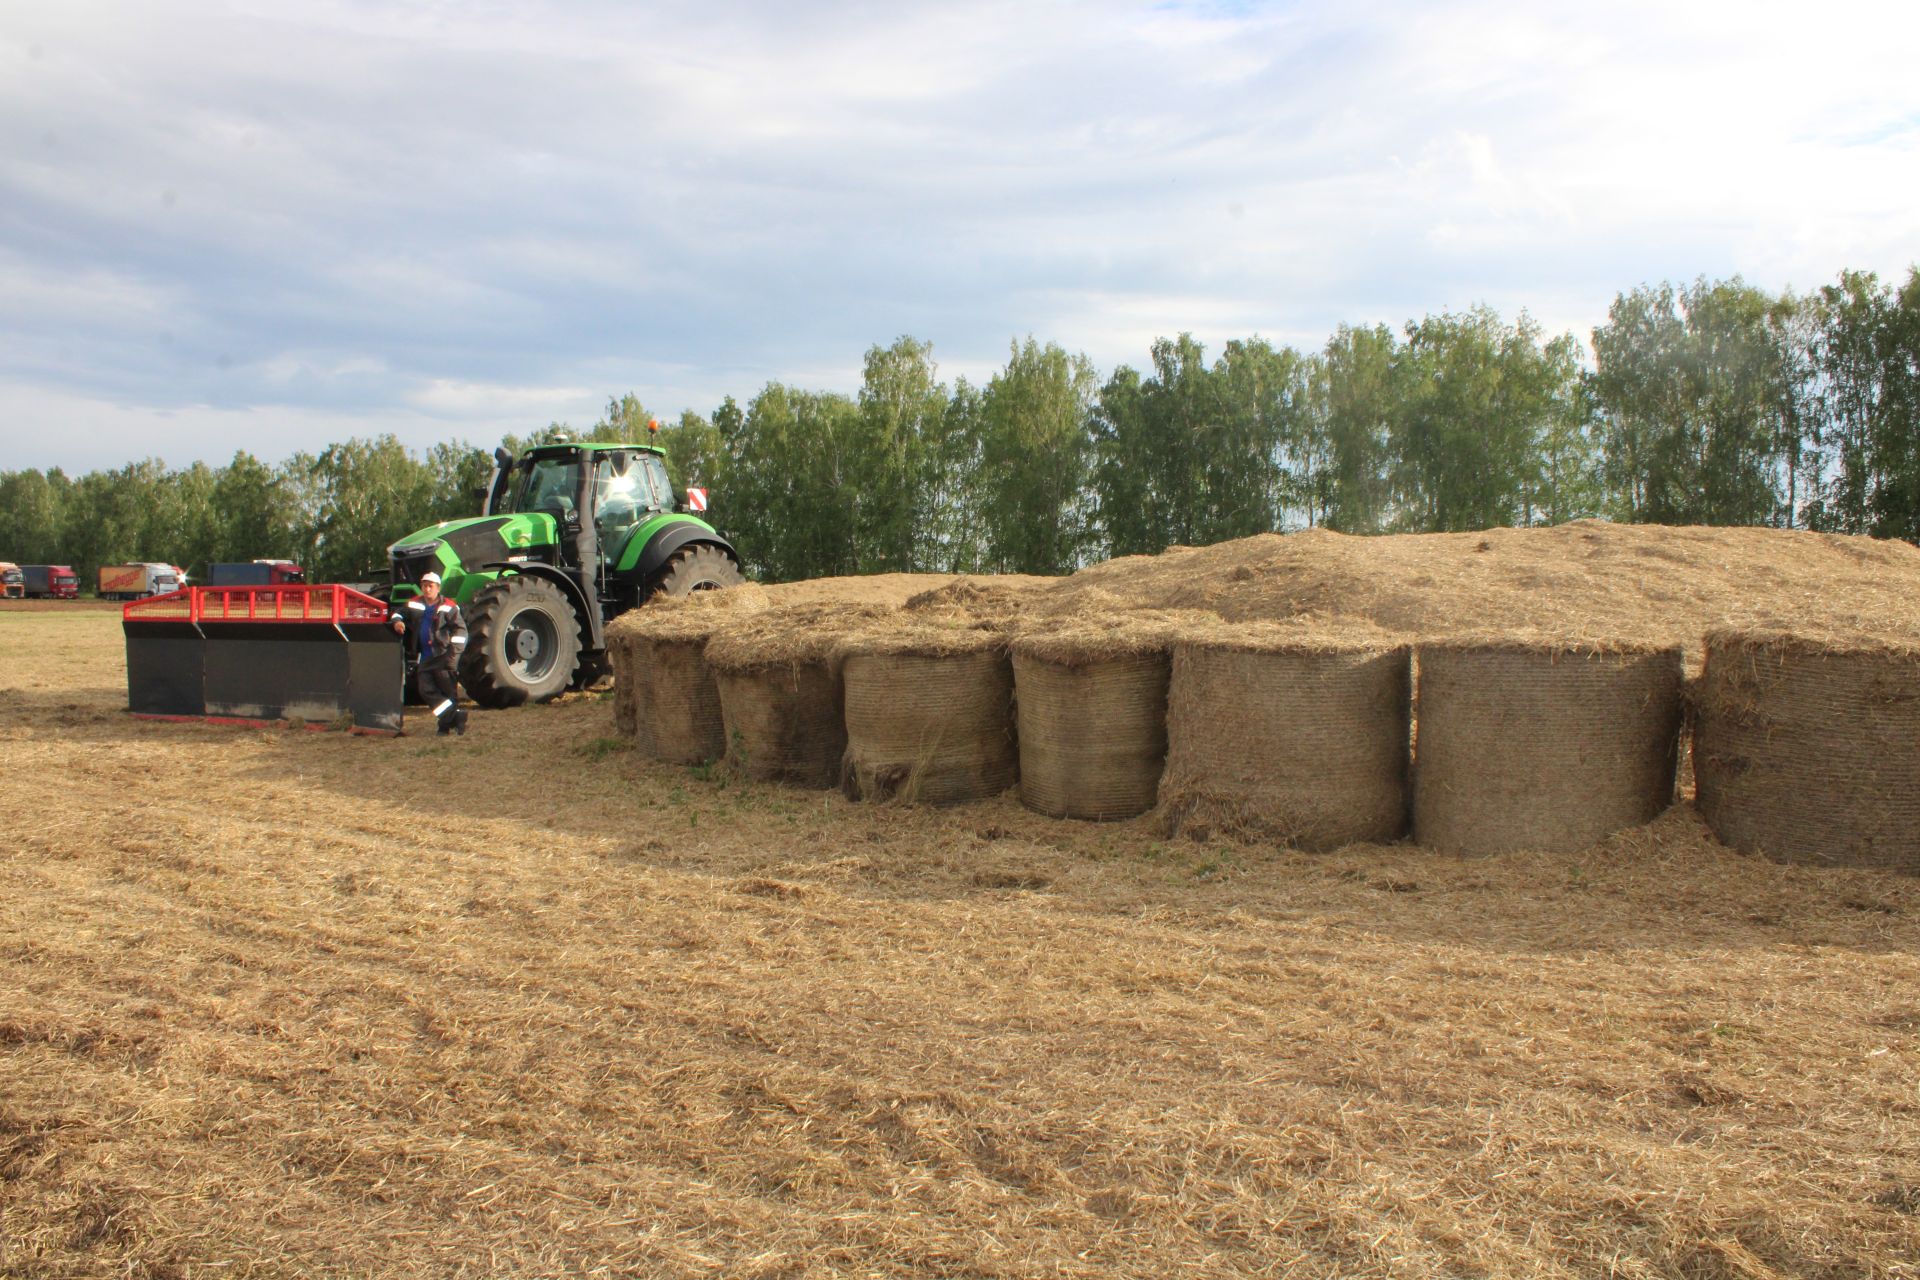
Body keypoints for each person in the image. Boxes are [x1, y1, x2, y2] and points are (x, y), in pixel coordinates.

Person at [390, 571, 469, 735]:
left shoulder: (449, 606)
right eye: (424, 586)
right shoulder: (414, 603)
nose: (427, 589)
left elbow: (461, 632)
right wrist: (397, 622)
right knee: (426, 690)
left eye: (430, 586)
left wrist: (453, 656)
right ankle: (456, 717)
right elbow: (398, 613)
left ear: (437, 588)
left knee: (448, 693)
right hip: (425, 657)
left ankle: (444, 727)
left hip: (443, 656)